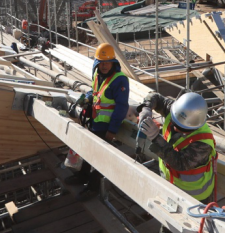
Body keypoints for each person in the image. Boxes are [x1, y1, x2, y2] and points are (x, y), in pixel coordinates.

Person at [65, 42, 129, 201]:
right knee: (88, 151)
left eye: (107, 62)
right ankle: (82, 177)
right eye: (101, 63)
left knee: (100, 158)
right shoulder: (97, 75)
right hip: (94, 122)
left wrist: (112, 130)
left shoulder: (120, 80)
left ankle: (93, 188)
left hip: (106, 126)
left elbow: (121, 107)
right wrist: (86, 98)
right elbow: (95, 93)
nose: (105, 66)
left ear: (113, 62)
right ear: (97, 63)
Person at [138, 91, 216, 204]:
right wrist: (146, 108)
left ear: (194, 127)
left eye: (182, 128)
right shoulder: (176, 111)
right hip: (170, 184)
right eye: (175, 123)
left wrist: (156, 138)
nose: (175, 129)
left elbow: (179, 162)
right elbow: (155, 96)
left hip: (195, 197)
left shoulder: (203, 143)